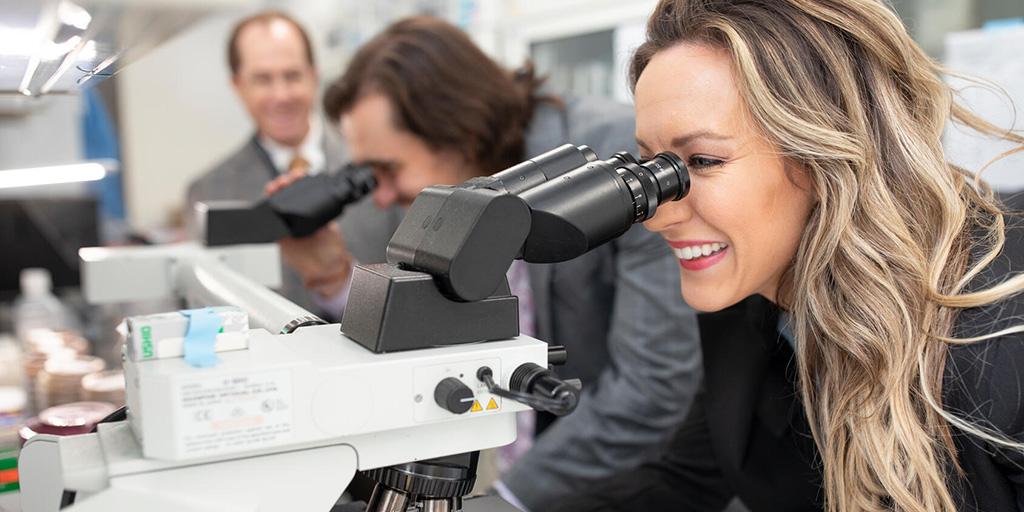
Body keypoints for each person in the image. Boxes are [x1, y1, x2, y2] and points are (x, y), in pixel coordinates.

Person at [554, 1, 1024, 511]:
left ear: (828, 157)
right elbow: (687, 478)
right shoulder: (752, 300)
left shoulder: (998, 339)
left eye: (703, 160)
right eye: (652, 166)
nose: (658, 216)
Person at [307, 16, 702, 511]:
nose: (382, 195)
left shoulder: (619, 162)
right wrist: (330, 277)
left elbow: (653, 386)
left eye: (388, 169)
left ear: (455, 129)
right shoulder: (445, 199)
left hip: (639, 481)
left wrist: (505, 501)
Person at [186, 10, 399, 318]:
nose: (281, 95)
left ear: (314, 76)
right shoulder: (209, 192)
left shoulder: (380, 166)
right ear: (237, 85)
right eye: (263, 79)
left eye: (292, 75)